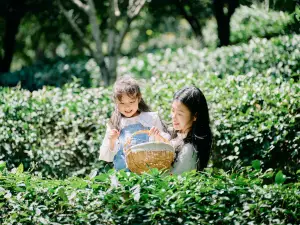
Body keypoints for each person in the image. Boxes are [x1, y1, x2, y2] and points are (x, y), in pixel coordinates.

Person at [99, 75, 169, 171]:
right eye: (122, 103)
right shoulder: (114, 124)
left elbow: (166, 147)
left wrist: (157, 137)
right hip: (123, 178)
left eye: (131, 102)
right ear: (115, 102)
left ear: (139, 98)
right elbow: (107, 157)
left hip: (148, 174)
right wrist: (112, 140)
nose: (127, 107)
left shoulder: (151, 118)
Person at [170, 86, 212, 174]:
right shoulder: (179, 135)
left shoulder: (189, 150)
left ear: (195, 116)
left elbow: (171, 180)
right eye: (173, 111)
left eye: (180, 114)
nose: (173, 117)